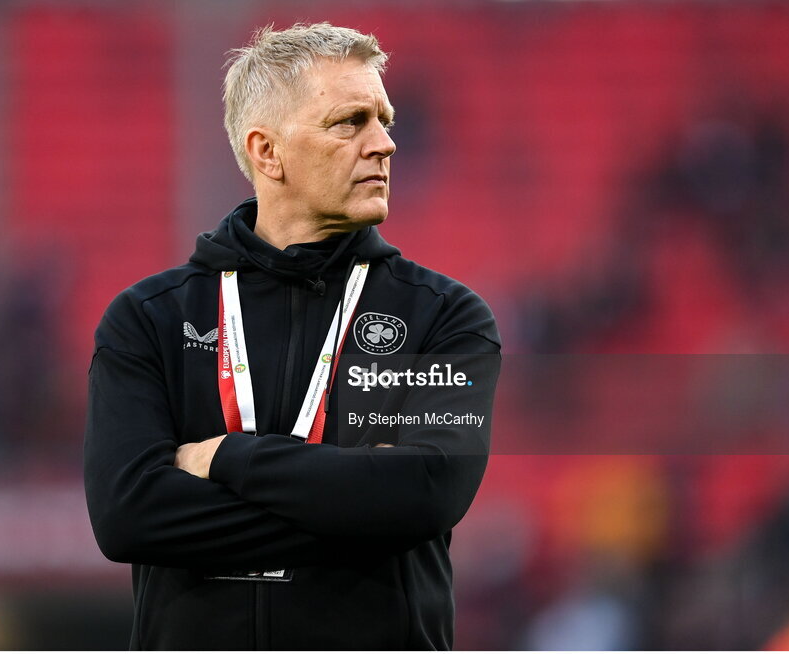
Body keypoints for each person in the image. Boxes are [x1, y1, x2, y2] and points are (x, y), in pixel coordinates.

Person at [84, 22, 501, 650]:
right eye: (350, 122)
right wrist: (361, 505)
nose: (385, 143)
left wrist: (227, 459)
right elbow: (127, 518)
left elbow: (427, 493)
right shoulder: (149, 318)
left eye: (384, 120)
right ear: (267, 152)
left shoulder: (444, 317)